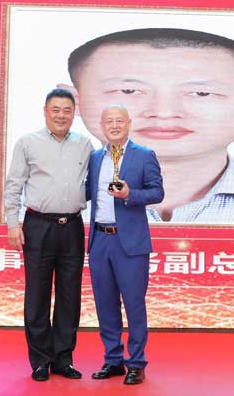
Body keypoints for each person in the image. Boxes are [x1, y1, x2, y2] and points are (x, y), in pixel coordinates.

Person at [63, 27, 234, 226]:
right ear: (74, 102)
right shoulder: (40, 202)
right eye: (128, 90)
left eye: (201, 93)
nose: (163, 112)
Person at [3, 88, 95, 382]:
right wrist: (12, 223)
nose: (61, 115)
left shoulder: (85, 145)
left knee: (70, 296)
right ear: (45, 111)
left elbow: (91, 185)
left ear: (74, 114)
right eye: (55, 110)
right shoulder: (28, 143)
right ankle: (40, 360)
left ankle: (63, 359)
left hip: (72, 227)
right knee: (37, 295)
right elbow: (14, 184)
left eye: (67, 110)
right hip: (38, 226)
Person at [87, 105, 164, 385]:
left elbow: (157, 192)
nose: (114, 125)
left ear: (129, 123)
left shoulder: (144, 155)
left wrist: (131, 195)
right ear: (101, 125)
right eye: (109, 121)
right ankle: (113, 359)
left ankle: (136, 363)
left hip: (130, 242)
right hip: (99, 240)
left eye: (119, 121)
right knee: (105, 303)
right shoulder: (95, 158)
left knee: (133, 304)